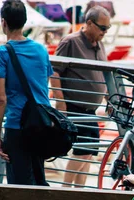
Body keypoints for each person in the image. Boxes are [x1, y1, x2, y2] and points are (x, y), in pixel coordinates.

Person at [0, 0, 59, 200]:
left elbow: (0, 99)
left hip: (17, 125)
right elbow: (43, 83)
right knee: (39, 177)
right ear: (24, 22)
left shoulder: (1, 53)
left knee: (21, 185)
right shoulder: (40, 50)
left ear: (4, 23)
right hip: (40, 124)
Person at [51, 5, 110, 187]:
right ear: (90, 23)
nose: (105, 32)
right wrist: (61, 103)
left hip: (90, 109)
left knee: (89, 153)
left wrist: (109, 98)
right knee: (83, 151)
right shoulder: (71, 41)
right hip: (75, 106)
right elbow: (54, 71)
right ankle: (66, 190)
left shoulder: (99, 45)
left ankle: (79, 192)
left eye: (107, 29)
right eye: (102, 28)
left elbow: (103, 74)